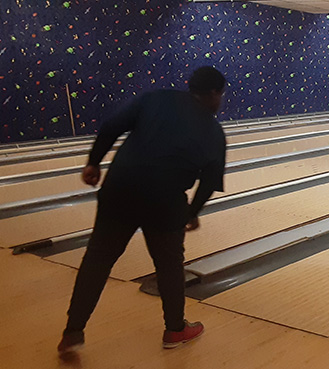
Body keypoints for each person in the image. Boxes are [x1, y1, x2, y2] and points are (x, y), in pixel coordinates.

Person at [57, 66, 228, 355]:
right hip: (165, 202)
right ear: (213, 93)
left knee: (97, 260)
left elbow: (112, 125)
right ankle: (175, 329)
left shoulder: (155, 98)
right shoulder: (214, 131)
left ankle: (73, 330)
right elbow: (209, 182)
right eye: (221, 95)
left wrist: (93, 162)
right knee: (169, 265)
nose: (220, 101)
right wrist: (191, 213)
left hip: (119, 189)